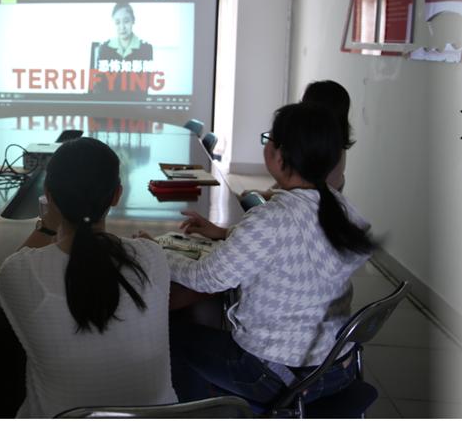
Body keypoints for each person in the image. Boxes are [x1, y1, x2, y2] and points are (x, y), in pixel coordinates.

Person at [155, 102, 373, 406]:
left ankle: (199, 411)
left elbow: (207, 278)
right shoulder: (341, 209)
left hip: (276, 376)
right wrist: (228, 233)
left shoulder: (272, 219)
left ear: (280, 155)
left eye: (269, 138)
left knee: (168, 335)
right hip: (335, 367)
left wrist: (157, 253)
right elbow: (295, 242)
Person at [0, 138, 177, 417]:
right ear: (117, 195)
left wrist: (47, 227)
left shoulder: (19, 273)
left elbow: (2, 282)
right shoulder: (152, 257)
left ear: (48, 196)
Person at [242, 79, 353, 201]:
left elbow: (302, 194)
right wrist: (267, 193)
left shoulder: (326, 155)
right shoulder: (326, 145)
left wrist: (266, 196)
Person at [90, 2, 155, 99]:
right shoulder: (104, 49)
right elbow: (99, 85)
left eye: (126, 21)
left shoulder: (145, 49)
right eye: (117, 22)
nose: (122, 27)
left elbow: (144, 86)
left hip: (135, 105)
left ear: (133, 21)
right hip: (109, 104)